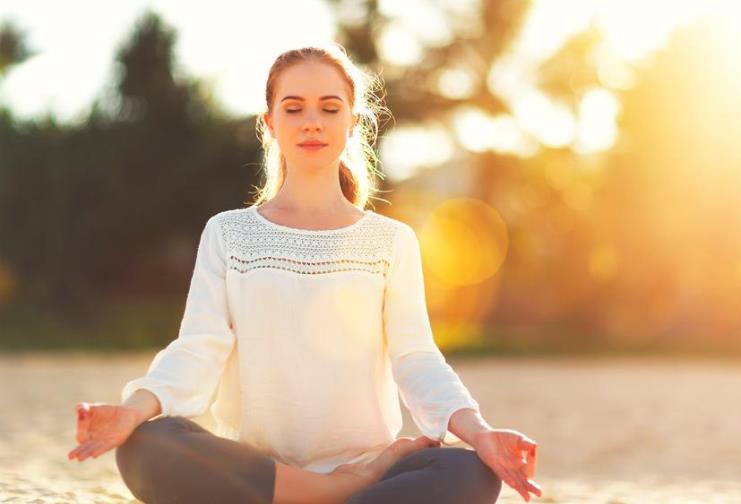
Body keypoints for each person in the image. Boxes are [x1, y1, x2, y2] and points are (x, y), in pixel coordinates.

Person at [67, 44, 543, 504]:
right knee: (147, 445)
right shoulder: (228, 234)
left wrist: (480, 434)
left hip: (365, 465)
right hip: (259, 468)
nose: (312, 121)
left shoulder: (390, 241)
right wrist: (132, 411)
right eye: (293, 108)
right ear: (269, 123)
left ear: (353, 122)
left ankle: (326, 492)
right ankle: (333, 492)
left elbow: (415, 357)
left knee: (472, 470)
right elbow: (199, 346)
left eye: (329, 108)